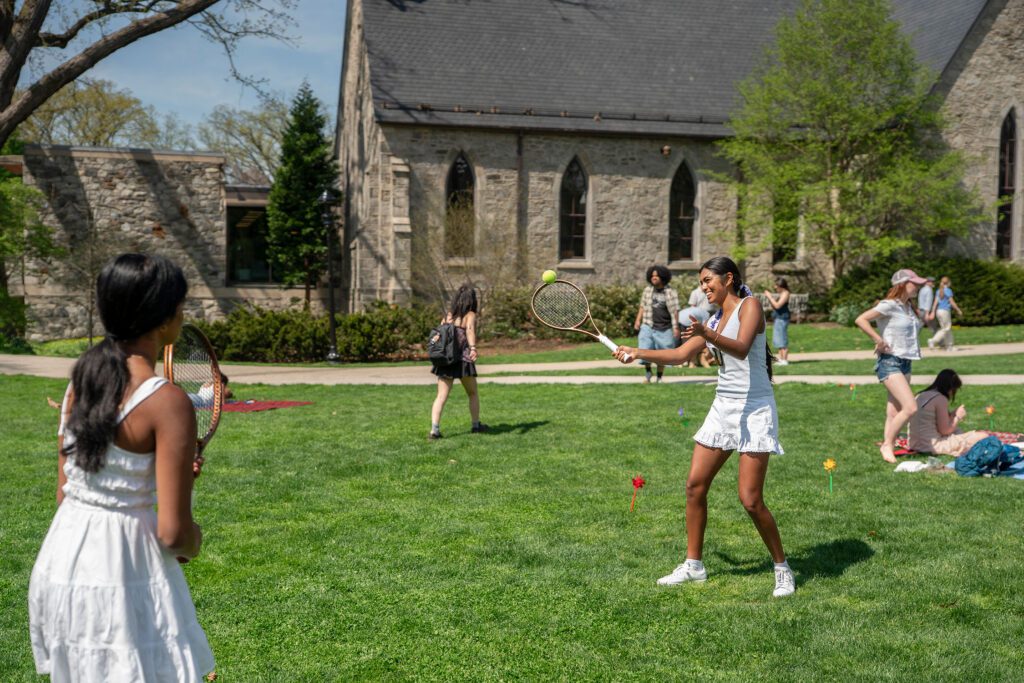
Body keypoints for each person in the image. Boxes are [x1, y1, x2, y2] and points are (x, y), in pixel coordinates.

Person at [29, 253, 215, 681]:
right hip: (122, 572)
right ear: (165, 317)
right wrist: (193, 540)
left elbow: (68, 490)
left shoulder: (81, 380)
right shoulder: (167, 402)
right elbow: (174, 535)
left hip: (63, 561)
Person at [614, 256, 794, 598]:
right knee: (695, 486)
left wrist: (706, 332)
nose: (704, 287)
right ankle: (694, 566)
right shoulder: (713, 318)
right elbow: (681, 355)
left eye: (707, 280)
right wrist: (636, 352)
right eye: (700, 283)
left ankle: (782, 568)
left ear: (728, 278)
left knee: (750, 499)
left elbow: (741, 349)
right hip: (723, 407)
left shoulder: (749, 306)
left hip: (754, 408)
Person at [854, 268, 927, 463]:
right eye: (915, 283)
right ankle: (887, 444)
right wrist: (878, 339)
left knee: (893, 411)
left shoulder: (909, 308)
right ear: (902, 284)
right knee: (911, 407)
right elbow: (860, 319)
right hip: (890, 362)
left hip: (906, 362)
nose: (918, 287)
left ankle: (890, 447)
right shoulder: (889, 305)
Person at [429, 284, 487, 439]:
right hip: (463, 361)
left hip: (446, 360)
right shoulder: (470, 315)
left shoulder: (448, 316)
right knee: (473, 393)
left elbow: (439, 336)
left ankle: (434, 430)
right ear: (472, 300)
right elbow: (469, 330)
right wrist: (473, 348)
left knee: (441, 396)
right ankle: (476, 426)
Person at [908, 369, 989, 456]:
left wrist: (952, 415)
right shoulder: (940, 398)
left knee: (958, 431)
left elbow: (933, 422)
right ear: (951, 388)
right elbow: (945, 431)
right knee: (983, 436)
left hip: (914, 444)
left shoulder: (921, 395)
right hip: (932, 447)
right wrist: (957, 417)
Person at [632, 265, 681, 383]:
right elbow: (642, 306)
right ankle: (648, 373)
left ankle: (659, 377)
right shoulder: (647, 290)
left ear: (662, 277)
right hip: (648, 325)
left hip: (664, 327)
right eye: (652, 276)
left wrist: (676, 327)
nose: (654, 278)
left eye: (656, 276)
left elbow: (675, 311)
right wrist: (638, 320)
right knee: (645, 349)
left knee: (662, 354)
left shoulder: (670, 292)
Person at [928, 276, 963, 351]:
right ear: (948, 282)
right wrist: (958, 310)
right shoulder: (948, 290)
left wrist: (933, 312)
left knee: (947, 328)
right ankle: (933, 341)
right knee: (946, 328)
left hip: (939, 311)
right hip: (945, 311)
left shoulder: (938, 290)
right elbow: (952, 302)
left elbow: (935, 302)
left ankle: (949, 346)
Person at [764, 277, 791, 365]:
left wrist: (769, 296)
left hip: (782, 318)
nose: (775, 287)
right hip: (779, 318)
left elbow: (778, 306)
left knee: (782, 338)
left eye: (776, 285)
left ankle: (785, 360)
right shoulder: (782, 293)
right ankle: (781, 359)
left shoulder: (785, 293)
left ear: (781, 285)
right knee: (778, 339)